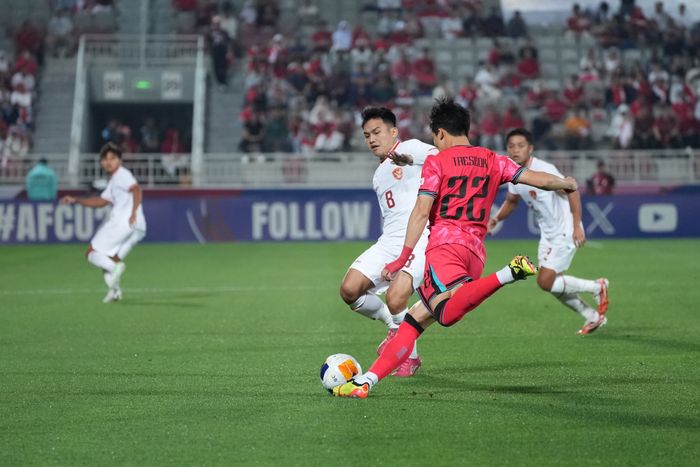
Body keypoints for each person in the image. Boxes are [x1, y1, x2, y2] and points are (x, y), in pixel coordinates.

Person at [332, 99, 578, 398]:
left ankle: (508, 273)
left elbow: (422, 212)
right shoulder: (493, 159)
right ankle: (366, 382)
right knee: (412, 322)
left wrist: (402, 258)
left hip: (445, 246)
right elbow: (534, 178)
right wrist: (563, 182)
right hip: (475, 252)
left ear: (441, 134)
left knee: (446, 313)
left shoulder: (438, 161)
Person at [339, 107, 438, 378]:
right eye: (366, 135)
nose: (371, 139)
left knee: (397, 297)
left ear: (393, 132)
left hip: (419, 239)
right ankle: (394, 328)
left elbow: (443, 159)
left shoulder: (412, 148)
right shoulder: (378, 174)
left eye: (377, 132)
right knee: (349, 290)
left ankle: (410, 356)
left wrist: (412, 161)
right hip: (389, 241)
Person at [487, 129, 609, 335]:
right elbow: (512, 201)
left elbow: (572, 190)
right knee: (552, 285)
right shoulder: (514, 174)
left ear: (530, 148)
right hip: (547, 235)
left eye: (520, 145)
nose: (515, 150)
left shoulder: (544, 170)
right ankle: (593, 317)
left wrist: (577, 225)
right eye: (511, 146)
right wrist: (496, 219)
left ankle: (597, 287)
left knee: (545, 281)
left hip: (564, 231)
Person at [60, 143, 146, 303]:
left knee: (92, 252)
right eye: (105, 159)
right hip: (137, 226)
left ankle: (116, 269)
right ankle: (115, 292)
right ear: (101, 162)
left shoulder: (121, 174)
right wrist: (76, 199)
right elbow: (101, 201)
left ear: (120, 161)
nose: (108, 162)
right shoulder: (114, 180)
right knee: (106, 258)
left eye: (113, 158)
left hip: (124, 221)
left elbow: (136, 189)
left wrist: (133, 212)